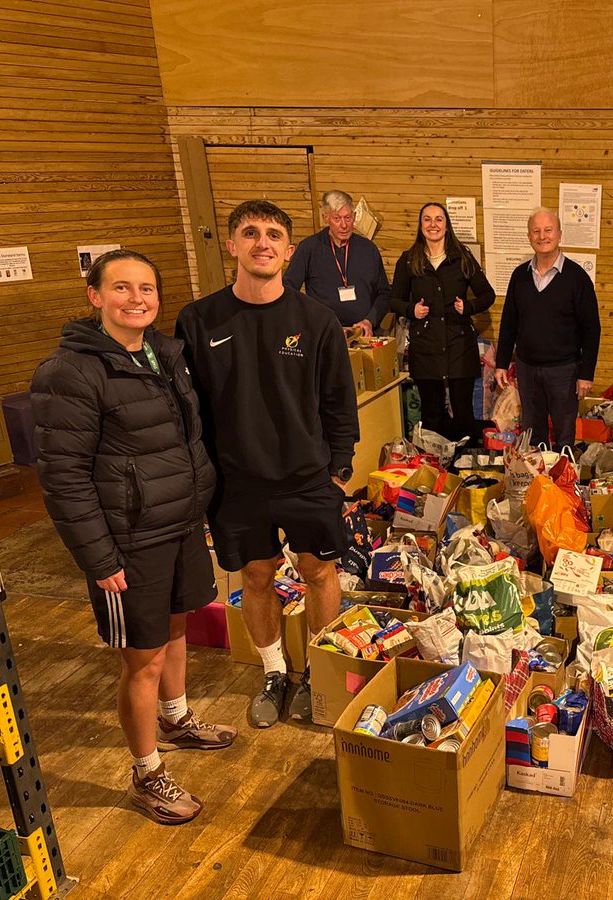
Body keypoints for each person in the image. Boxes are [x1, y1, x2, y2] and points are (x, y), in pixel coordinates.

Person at [31, 249, 232, 826]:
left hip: (179, 524)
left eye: (147, 288)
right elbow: (63, 477)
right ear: (95, 296)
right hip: (128, 541)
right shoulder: (70, 372)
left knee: (175, 630)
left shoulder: (165, 355)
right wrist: (99, 558)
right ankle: (146, 771)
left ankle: (176, 717)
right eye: (121, 287)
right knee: (139, 659)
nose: (137, 298)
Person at [176, 200, 359, 728]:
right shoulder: (198, 320)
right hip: (237, 484)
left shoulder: (316, 319)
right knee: (256, 577)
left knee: (318, 571)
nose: (263, 243)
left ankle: (316, 673)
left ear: (288, 249)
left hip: (307, 478)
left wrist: (340, 472)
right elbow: (189, 409)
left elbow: (338, 403)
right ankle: (276, 672)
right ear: (231, 245)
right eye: (251, 233)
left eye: (274, 234)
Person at [494, 208, 600, 451]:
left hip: (564, 371)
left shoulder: (577, 278)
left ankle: (563, 484)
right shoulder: (519, 276)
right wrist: (502, 363)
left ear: (559, 234)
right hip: (527, 368)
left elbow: (592, 328)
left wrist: (586, 373)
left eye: (548, 230)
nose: (542, 236)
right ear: (529, 237)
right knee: (533, 434)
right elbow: (509, 321)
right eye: (536, 231)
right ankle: (537, 484)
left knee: (564, 435)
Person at [389, 202, 495, 443]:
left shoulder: (462, 258)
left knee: (463, 414)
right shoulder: (409, 260)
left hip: (459, 344)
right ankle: (434, 468)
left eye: (438, 219)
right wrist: (411, 310)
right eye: (427, 219)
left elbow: (487, 295)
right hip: (425, 347)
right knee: (432, 414)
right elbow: (393, 300)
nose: (433, 224)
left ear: (447, 226)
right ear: (420, 225)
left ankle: (465, 467)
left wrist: (468, 307)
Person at [283, 189, 391, 336]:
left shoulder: (369, 249)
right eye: (337, 219)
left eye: (348, 218)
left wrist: (369, 321)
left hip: (363, 333)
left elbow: (384, 293)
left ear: (354, 217)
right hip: (323, 333)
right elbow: (289, 289)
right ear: (325, 218)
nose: (344, 225)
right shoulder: (309, 248)